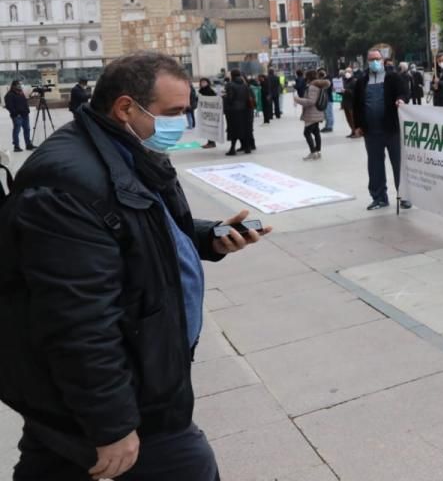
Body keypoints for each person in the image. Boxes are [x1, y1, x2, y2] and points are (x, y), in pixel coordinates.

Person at [0, 51, 271, 480]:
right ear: (126, 107)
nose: (181, 123)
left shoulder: (121, 150)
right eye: (174, 112)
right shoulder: (67, 183)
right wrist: (111, 424)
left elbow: (134, 228)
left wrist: (207, 237)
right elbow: (78, 319)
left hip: (118, 382)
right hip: (135, 398)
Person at [352, 49, 409, 210]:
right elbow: (356, 106)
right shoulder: (361, 81)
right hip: (371, 132)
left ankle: (404, 196)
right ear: (367, 62)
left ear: (383, 60)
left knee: (398, 163)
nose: (374, 62)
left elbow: (404, 93)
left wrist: (401, 100)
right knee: (375, 165)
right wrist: (357, 126)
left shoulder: (393, 78)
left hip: (392, 129)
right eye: (371, 59)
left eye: (377, 58)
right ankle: (379, 197)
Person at [298, 69, 331, 161]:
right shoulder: (319, 86)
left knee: (307, 132)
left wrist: (297, 100)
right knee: (316, 132)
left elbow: (310, 101)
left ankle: (313, 152)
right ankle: (318, 152)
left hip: (311, 113)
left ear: (308, 77)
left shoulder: (312, 87)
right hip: (318, 112)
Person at [221, 69, 253, 156]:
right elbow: (247, 97)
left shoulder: (230, 85)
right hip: (244, 110)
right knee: (244, 129)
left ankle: (232, 149)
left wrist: (225, 97)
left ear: (232, 75)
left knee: (233, 130)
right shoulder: (244, 85)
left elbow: (231, 98)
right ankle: (247, 148)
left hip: (233, 111)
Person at [5, 81, 34, 153]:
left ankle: (28, 144)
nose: (20, 85)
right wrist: (15, 114)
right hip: (17, 116)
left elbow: (24, 102)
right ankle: (16, 146)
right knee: (17, 131)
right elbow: (9, 106)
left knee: (27, 129)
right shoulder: (9, 95)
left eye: (20, 84)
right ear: (14, 85)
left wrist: (27, 110)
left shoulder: (21, 92)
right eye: (19, 84)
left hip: (25, 115)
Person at [197, 77, 218, 149]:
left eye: (204, 82)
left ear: (207, 83)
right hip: (204, 112)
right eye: (202, 82)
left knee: (210, 127)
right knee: (206, 127)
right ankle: (209, 142)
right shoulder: (201, 90)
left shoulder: (209, 90)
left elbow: (213, 100)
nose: (203, 84)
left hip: (210, 112)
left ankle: (212, 142)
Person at [340, 69, 359, 137]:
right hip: (345, 102)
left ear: (352, 73)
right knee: (348, 119)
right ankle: (352, 131)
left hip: (352, 103)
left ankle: (357, 132)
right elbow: (342, 92)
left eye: (349, 72)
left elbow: (355, 93)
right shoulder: (344, 81)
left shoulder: (354, 81)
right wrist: (339, 90)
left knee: (353, 119)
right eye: (346, 72)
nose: (347, 73)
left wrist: (346, 91)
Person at [317, 69, 335, 133]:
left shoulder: (328, 80)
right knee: (326, 114)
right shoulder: (324, 79)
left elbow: (327, 87)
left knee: (329, 113)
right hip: (325, 99)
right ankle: (327, 126)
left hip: (328, 99)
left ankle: (329, 127)